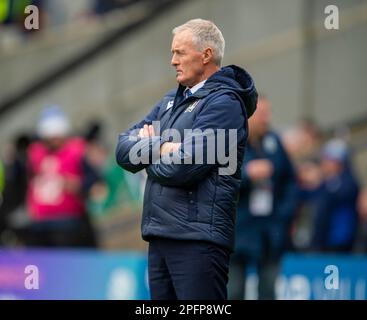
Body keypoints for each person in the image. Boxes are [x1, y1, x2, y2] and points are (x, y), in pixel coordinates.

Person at [116, 18, 257, 300]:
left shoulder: (225, 104)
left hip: (197, 241)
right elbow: (122, 150)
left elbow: (181, 168)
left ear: (206, 55)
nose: (172, 61)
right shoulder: (171, 101)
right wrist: (164, 146)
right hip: (160, 235)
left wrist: (147, 151)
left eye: (179, 52)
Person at [228, 95, 298, 300]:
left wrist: (284, 215)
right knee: (233, 292)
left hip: (269, 233)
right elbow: (218, 180)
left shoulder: (274, 142)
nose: (266, 119)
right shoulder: (231, 143)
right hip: (237, 232)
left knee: (268, 291)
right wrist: (246, 174)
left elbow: (290, 181)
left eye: (268, 113)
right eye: (262, 114)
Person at [25, 106, 100, 247]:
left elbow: (94, 181)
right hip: (40, 224)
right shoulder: (36, 153)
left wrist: (79, 185)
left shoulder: (76, 150)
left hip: (70, 222)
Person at [310, 139, 359, 252]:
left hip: (340, 240)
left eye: (327, 159)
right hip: (325, 239)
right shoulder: (327, 182)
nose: (323, 163)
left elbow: (335, 195)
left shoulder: (347, 183)